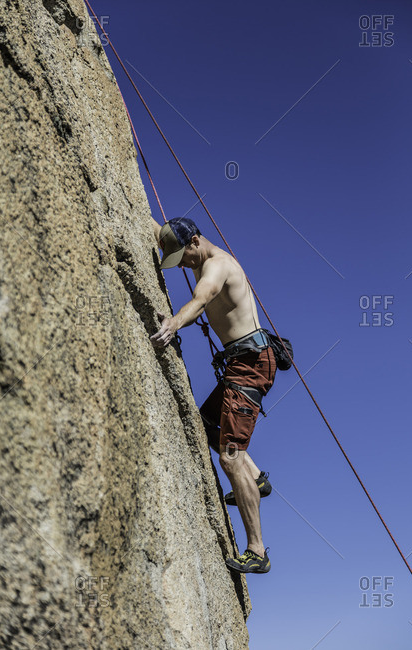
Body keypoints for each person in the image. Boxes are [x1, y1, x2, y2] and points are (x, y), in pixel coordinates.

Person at [150, 216, 277, 574]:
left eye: (184, 259)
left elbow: (201, 298)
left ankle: (257, 551)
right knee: (206, 423)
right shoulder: (193, 250)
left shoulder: (217, 265)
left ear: (194, 242)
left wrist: (173, 323)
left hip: (251, 364)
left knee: (230, 458)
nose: (184, 266)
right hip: (241, 363)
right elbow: (159, 228)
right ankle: (257, 481)